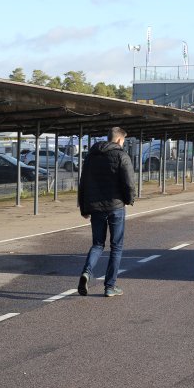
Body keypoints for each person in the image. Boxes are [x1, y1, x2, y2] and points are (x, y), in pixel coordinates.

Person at [77, 127, 136, 298]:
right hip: (116, 207)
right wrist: (129, 199)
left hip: (95, 208)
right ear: (118, 140)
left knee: (97, 244)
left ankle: (87, 272)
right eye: (123, 142)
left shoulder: (91, 156)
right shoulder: (121, 156)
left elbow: (83, 183)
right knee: (116, 247)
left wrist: (84, 207)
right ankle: (110, 286)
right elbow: (129, 182)